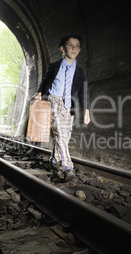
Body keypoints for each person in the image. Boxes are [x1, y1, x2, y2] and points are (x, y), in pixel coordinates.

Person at [33, 33, 90, 182]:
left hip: (69, 105)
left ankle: (54, 161)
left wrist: (87, 111)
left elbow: (84, 91)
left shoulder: (80, 71)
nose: (74, 48)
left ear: (80, 50)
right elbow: (45, 81)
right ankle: (67, 167)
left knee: (65, 136)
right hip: (53, 100)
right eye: (70, 45)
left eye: (77, 46)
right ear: (62, 49)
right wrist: (40, 93)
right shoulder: (55, 66)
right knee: (61, 135)